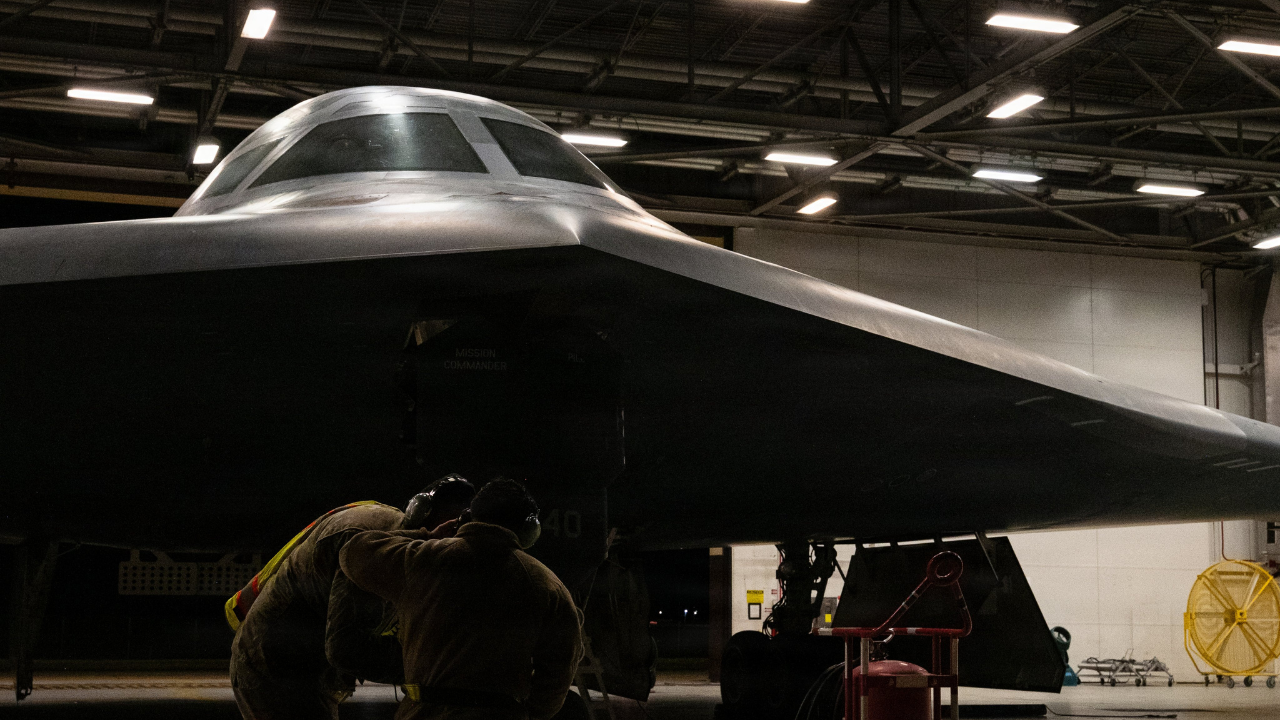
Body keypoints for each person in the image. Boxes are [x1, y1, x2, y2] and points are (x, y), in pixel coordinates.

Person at [230, 475, 477, 720]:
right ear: (421, 516)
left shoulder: (400, 542)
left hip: (304, 668)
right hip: (275, 668)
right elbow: (345, 648)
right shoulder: (373, 551)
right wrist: (427, 668)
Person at [340, 478, 584, 720]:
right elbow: (560, 670)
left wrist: (425, 535)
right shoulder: (548, 585)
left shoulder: (423, 559)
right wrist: (531, 712)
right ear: (529, 530)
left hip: (423, 712)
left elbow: (352, 552)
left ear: (466, 518)